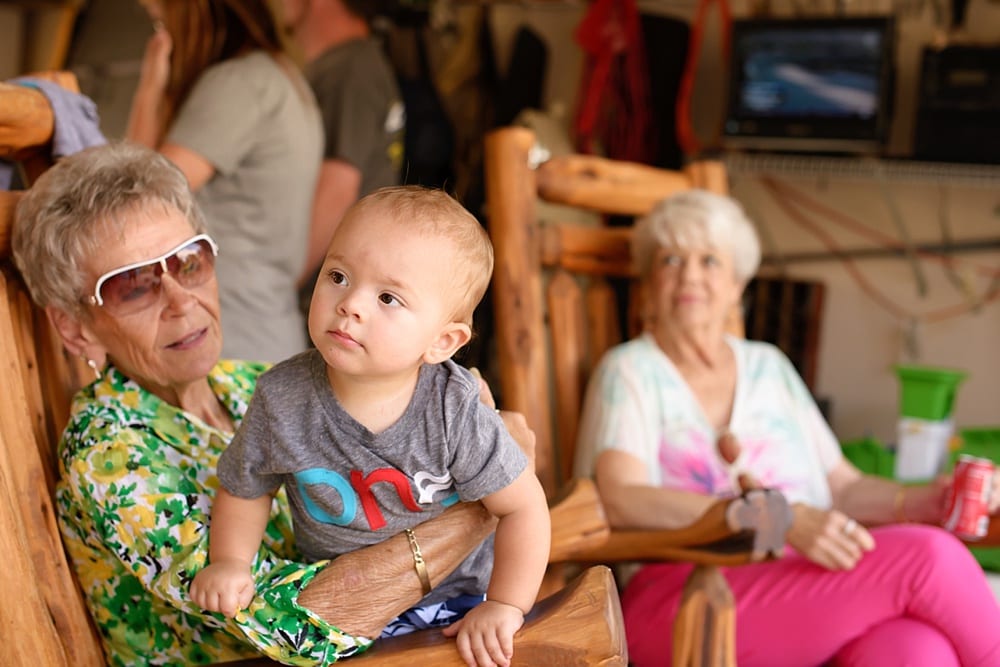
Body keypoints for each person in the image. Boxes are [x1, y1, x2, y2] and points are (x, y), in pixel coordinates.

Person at [11, 142, 538, 667]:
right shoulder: (107, 452)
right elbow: (299, 628)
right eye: (132, 285)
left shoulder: (247, 384)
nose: (180, 301)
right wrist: (480, 510)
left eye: (189, 261)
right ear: (75, 328)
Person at [574, 189, 1000, 667]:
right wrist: (777, 518)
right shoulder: (630, 370)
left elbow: (845, 488)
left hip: (800, 587)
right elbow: (620, 496)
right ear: (649, 281)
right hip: (683, 594)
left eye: (710, 261)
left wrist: (925, 500)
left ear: (737, 284)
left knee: (914, 651)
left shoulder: (768, 367)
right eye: (671, 259)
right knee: (931, 558)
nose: (690, 274)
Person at [190, 186, 551, 667]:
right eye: (338, 276)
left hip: (456, 606)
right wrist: (232, 563)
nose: (350, 304)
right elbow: (245, 488)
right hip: (344, 619)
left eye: (387, 297)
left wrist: (505, 606)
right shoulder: (282, 397)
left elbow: (525, 509)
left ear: (442, 341)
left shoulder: (453, 409)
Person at [127, 0, 323, 362]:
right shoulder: (279, 77)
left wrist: (150, 86)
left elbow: (137, 198)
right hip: (265, 329)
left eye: (160, 23)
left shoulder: (238, 85)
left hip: (235, 339)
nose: (160, 39)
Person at [277, 0, 405, 309]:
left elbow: (338, 189)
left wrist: (280, 287)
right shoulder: (355, 63)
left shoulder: (348, 70)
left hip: (326, 299)